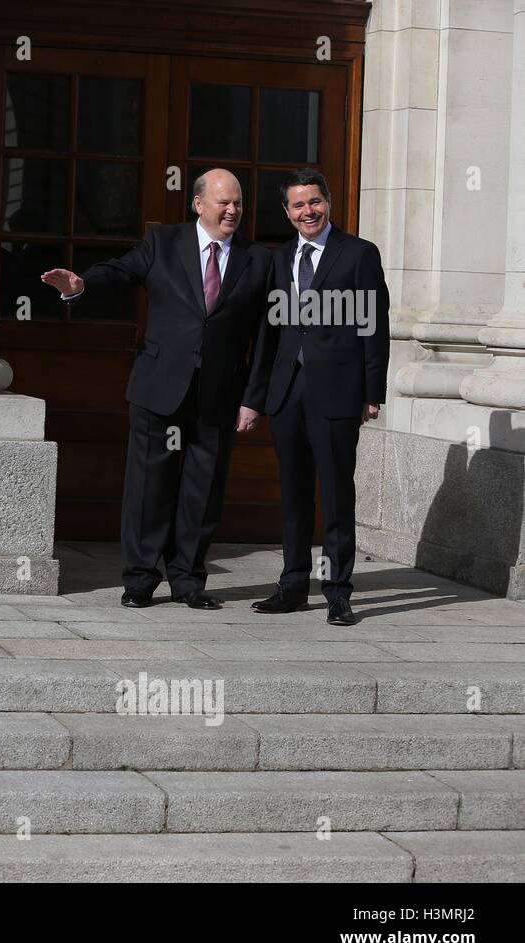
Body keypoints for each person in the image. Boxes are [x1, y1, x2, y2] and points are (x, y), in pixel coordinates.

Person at [41, 168, 271, 609]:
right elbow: (122, 270)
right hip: (159, 386)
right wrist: (81, 284)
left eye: (238, 202)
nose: (232, 210)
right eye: (223, 201)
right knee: (150, 486)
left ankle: (188, 581)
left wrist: (253, 399)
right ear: (199, 204)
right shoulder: (164, 243)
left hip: (218, 395)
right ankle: (141, 579)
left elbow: (263, 337)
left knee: (202, 491)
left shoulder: (257, 259)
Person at [248, 168, 389, 625]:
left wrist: (372, 392)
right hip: (288, 391)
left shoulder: (358, 253)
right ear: (287, 212)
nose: (308, 211)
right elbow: (268, 334)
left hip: (338, 391)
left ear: (328, 201)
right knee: (293, 494)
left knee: (335, 493)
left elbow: (373, 325)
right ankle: (292, 585)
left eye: (315, 201)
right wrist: (257, 395)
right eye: (298, 205)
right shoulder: (280, 257)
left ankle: (338, 592)